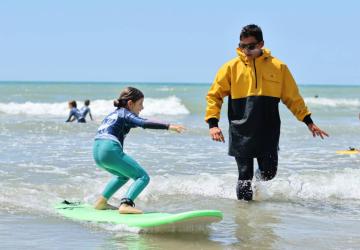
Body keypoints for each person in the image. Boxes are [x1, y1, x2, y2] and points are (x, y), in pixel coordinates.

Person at [205, 24, 329, 201]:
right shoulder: (230, 68)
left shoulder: (279, 67)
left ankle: (258, 186)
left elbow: (292, 97)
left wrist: (308, 121)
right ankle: (244, 219)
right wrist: (213, 124)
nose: (246, 50)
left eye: (251, 46)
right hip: (241, 130)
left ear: (261, 44)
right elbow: (214, 96)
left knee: (269, 172)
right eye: (242, 46)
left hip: (268, 130)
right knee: (244, 177)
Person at [93, 87, 184, 214]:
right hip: (109, 150)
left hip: (97, 152)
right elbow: (143, 123)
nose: (142, 108)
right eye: (140, 104)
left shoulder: (113, 115)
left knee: (123, 175)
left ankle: (101, 202)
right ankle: (126, 204)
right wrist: (168, 126)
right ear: (130, 103)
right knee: (142, 177)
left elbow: (138, 123)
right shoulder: (125, 113)